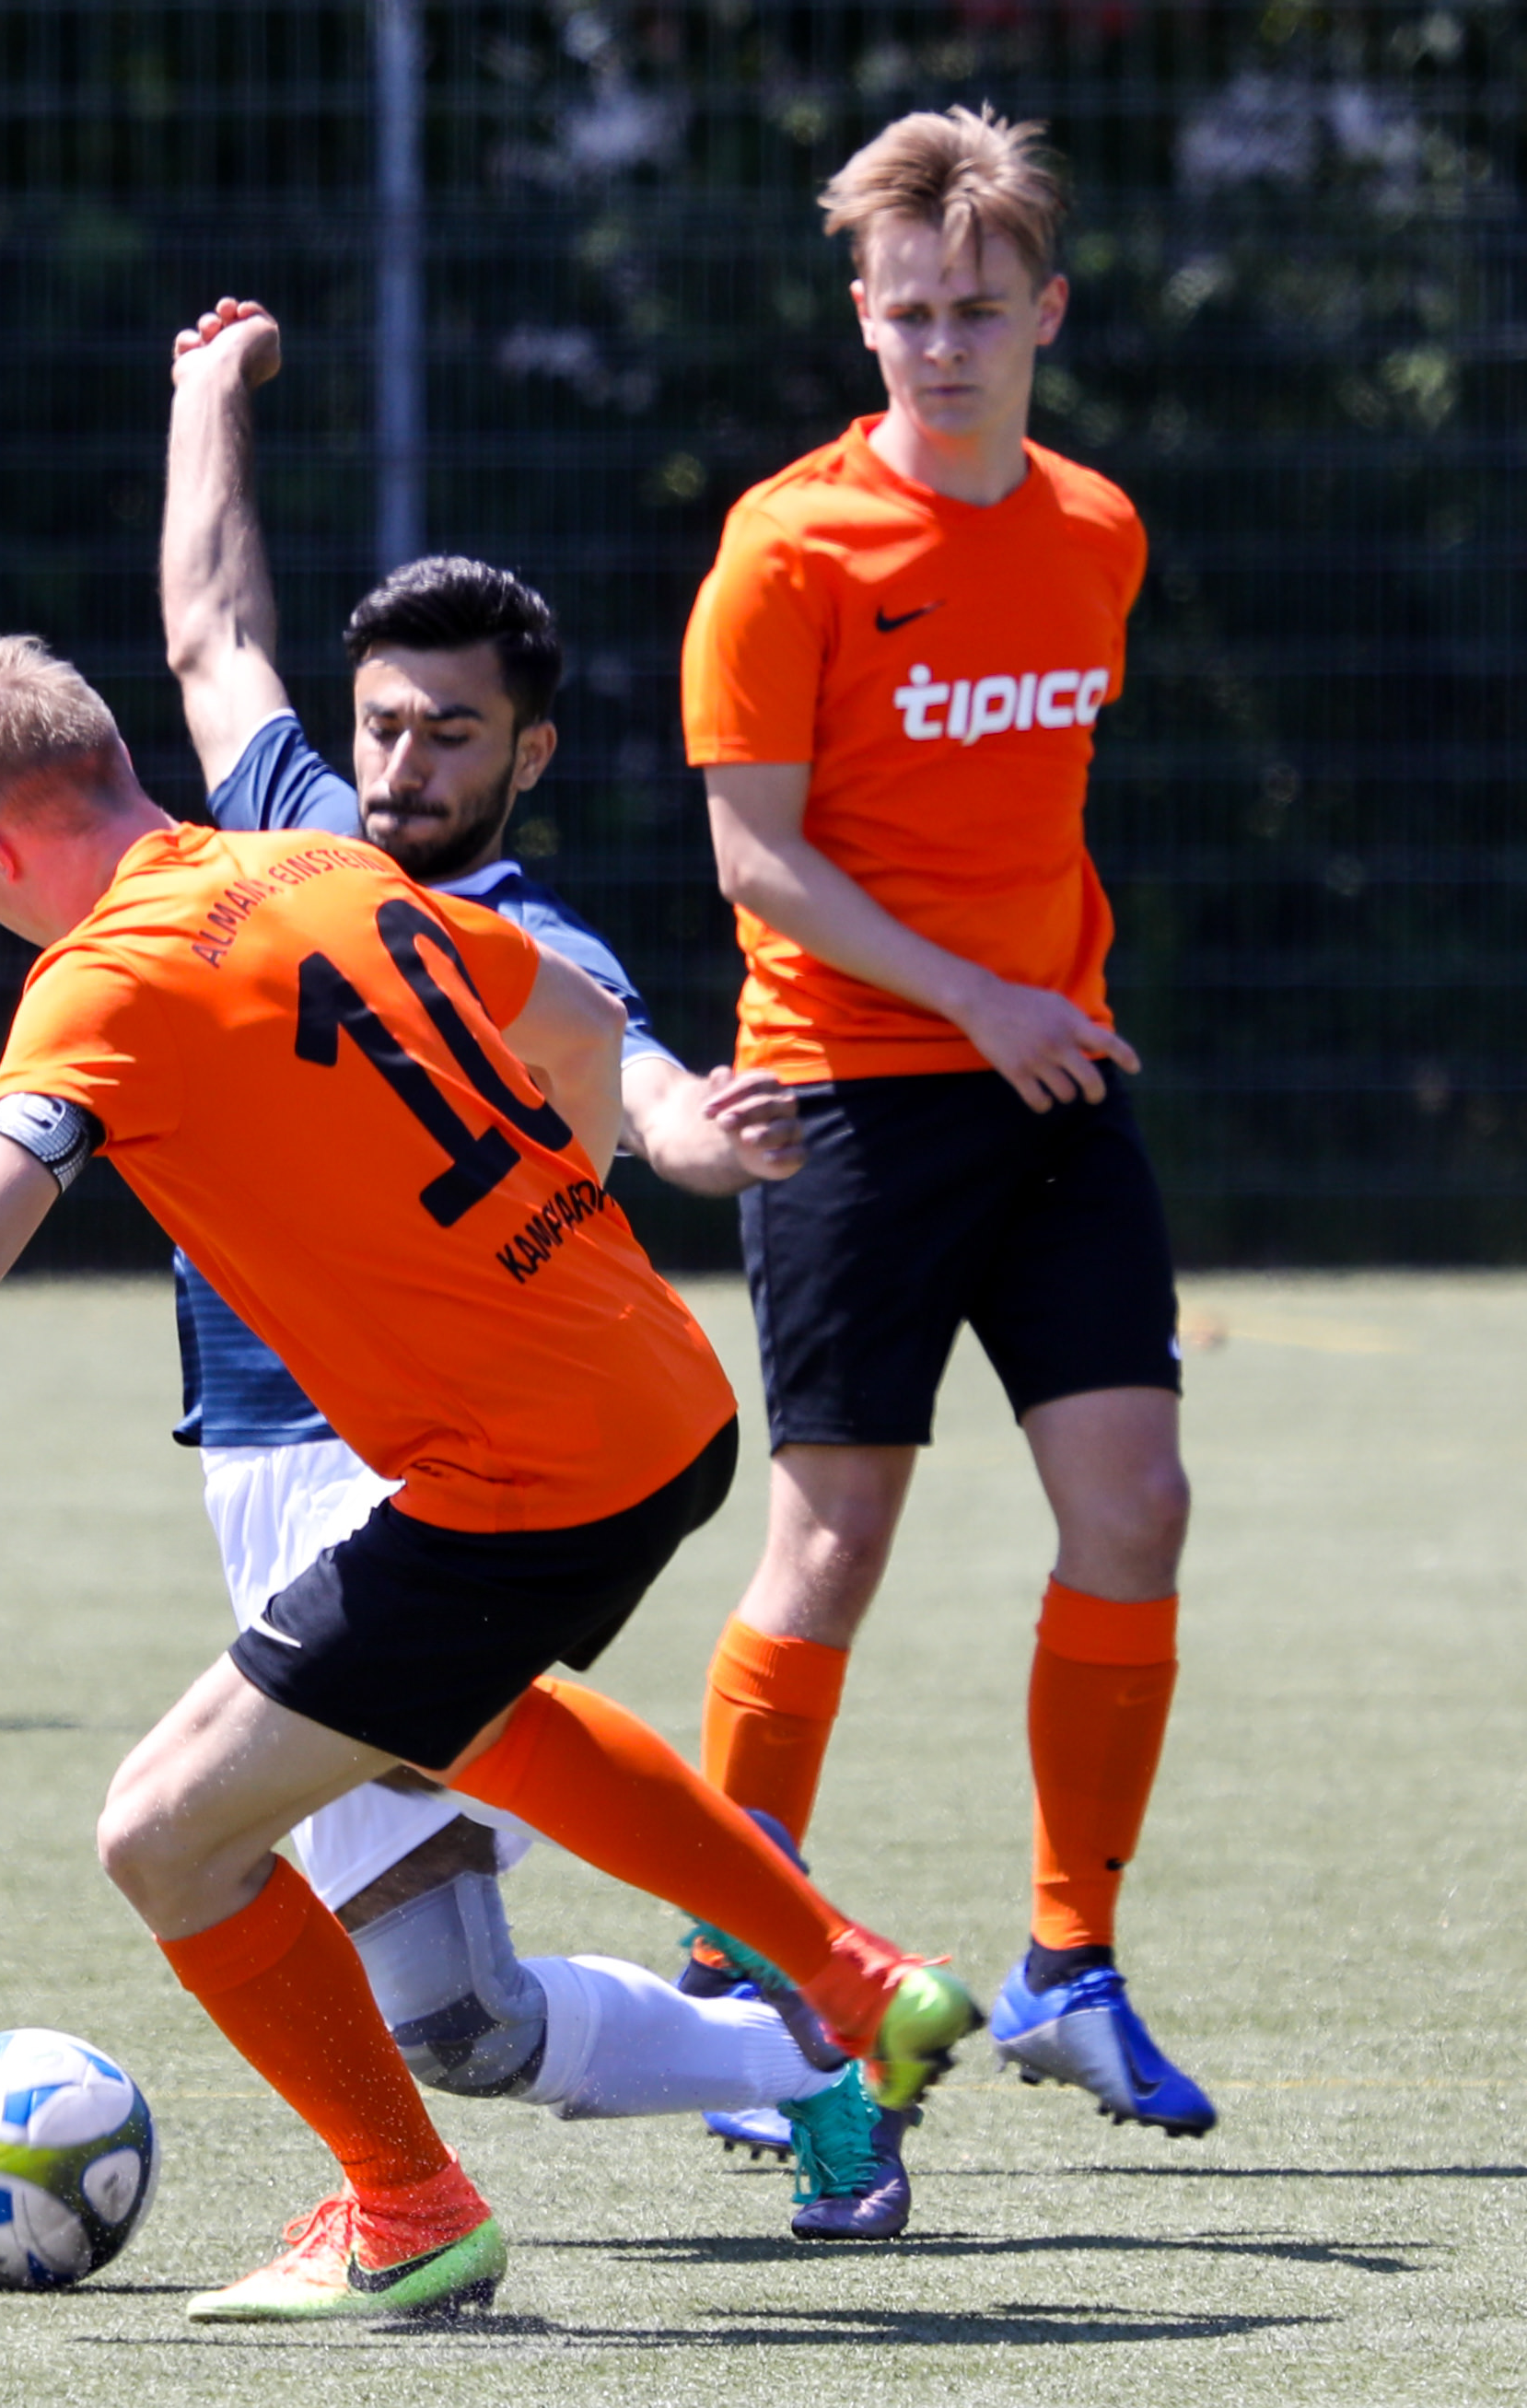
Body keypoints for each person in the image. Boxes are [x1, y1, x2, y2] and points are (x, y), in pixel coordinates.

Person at [0, 618, 979, 2324]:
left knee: (165, 1839)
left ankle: (410, 2211)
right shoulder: (322, 865)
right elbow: (577, 1019)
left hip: (526, 1471)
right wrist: (548, 1217)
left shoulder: (99, 983)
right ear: (118, 763)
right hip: (661, 1396)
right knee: (455, 1711)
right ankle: (849, 1976)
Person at [153, 300, 909, 2239]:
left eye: (453, 732)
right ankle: (808, 2047)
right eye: (384, 724)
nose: (403, 764)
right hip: (255, 1464)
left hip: (403, 1471)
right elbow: (212, 635)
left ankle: (762, 2049)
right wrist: (206, 395)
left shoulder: (525, 941)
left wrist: (700, 1136)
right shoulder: (295, 839)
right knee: (462, 2018)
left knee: (283, 1889)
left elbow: (636, 1082)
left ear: (531, 751)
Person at [680, 107, 1210, 2136]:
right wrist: (973, 996)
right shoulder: (787, 547)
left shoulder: (1095, 529)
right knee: (834, 1534)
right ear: (862, 315)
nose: (942, 346)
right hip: (848, 1090)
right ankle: (737, 1978)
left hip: (1054, 1082)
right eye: (908, 314)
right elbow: (755, 858)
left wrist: (1024, 1003)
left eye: (978, 311)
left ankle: (1070, 1964)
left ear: (1047, 312)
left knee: (1136, 1508)